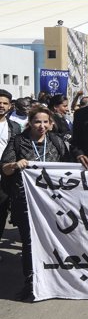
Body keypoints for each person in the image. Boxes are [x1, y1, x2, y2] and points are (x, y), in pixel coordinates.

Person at [1, 106, 70, 300]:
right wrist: (15, 165)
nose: (41, 126)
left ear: (51, 123)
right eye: (37, 122)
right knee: (30, 243)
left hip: (54, 203)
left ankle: (55, 281)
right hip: (26, 202)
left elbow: (68, 168)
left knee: (55, 241)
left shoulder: (56, 141)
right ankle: (31, 284)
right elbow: (4, 168)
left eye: (45, 122)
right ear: (30, 122)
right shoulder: (18, 142)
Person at [0, 89, 21, 256]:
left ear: (10, 106)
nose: (1, 106)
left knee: (1, 214)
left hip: (5, 177)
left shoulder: (14, 127)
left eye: (4, 103)